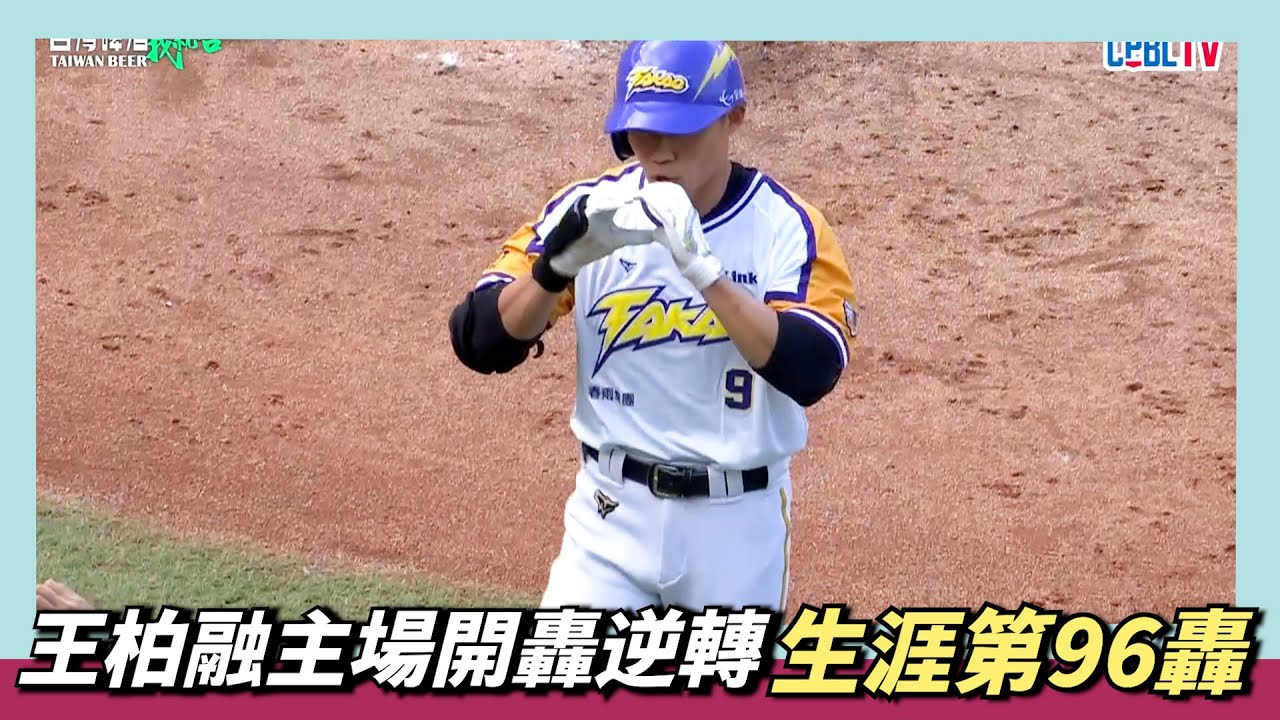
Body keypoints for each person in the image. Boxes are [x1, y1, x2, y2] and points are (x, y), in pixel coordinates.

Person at [448, 40, 859, 613]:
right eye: (644, 131)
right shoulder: (594, 209)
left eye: (681, 129)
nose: (661, 151)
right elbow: (478, 340)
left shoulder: (785, 226)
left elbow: (813, 368)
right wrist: (552, 271)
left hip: (735, 529)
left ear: (734, 117)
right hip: (608, 519)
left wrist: (706, 275)